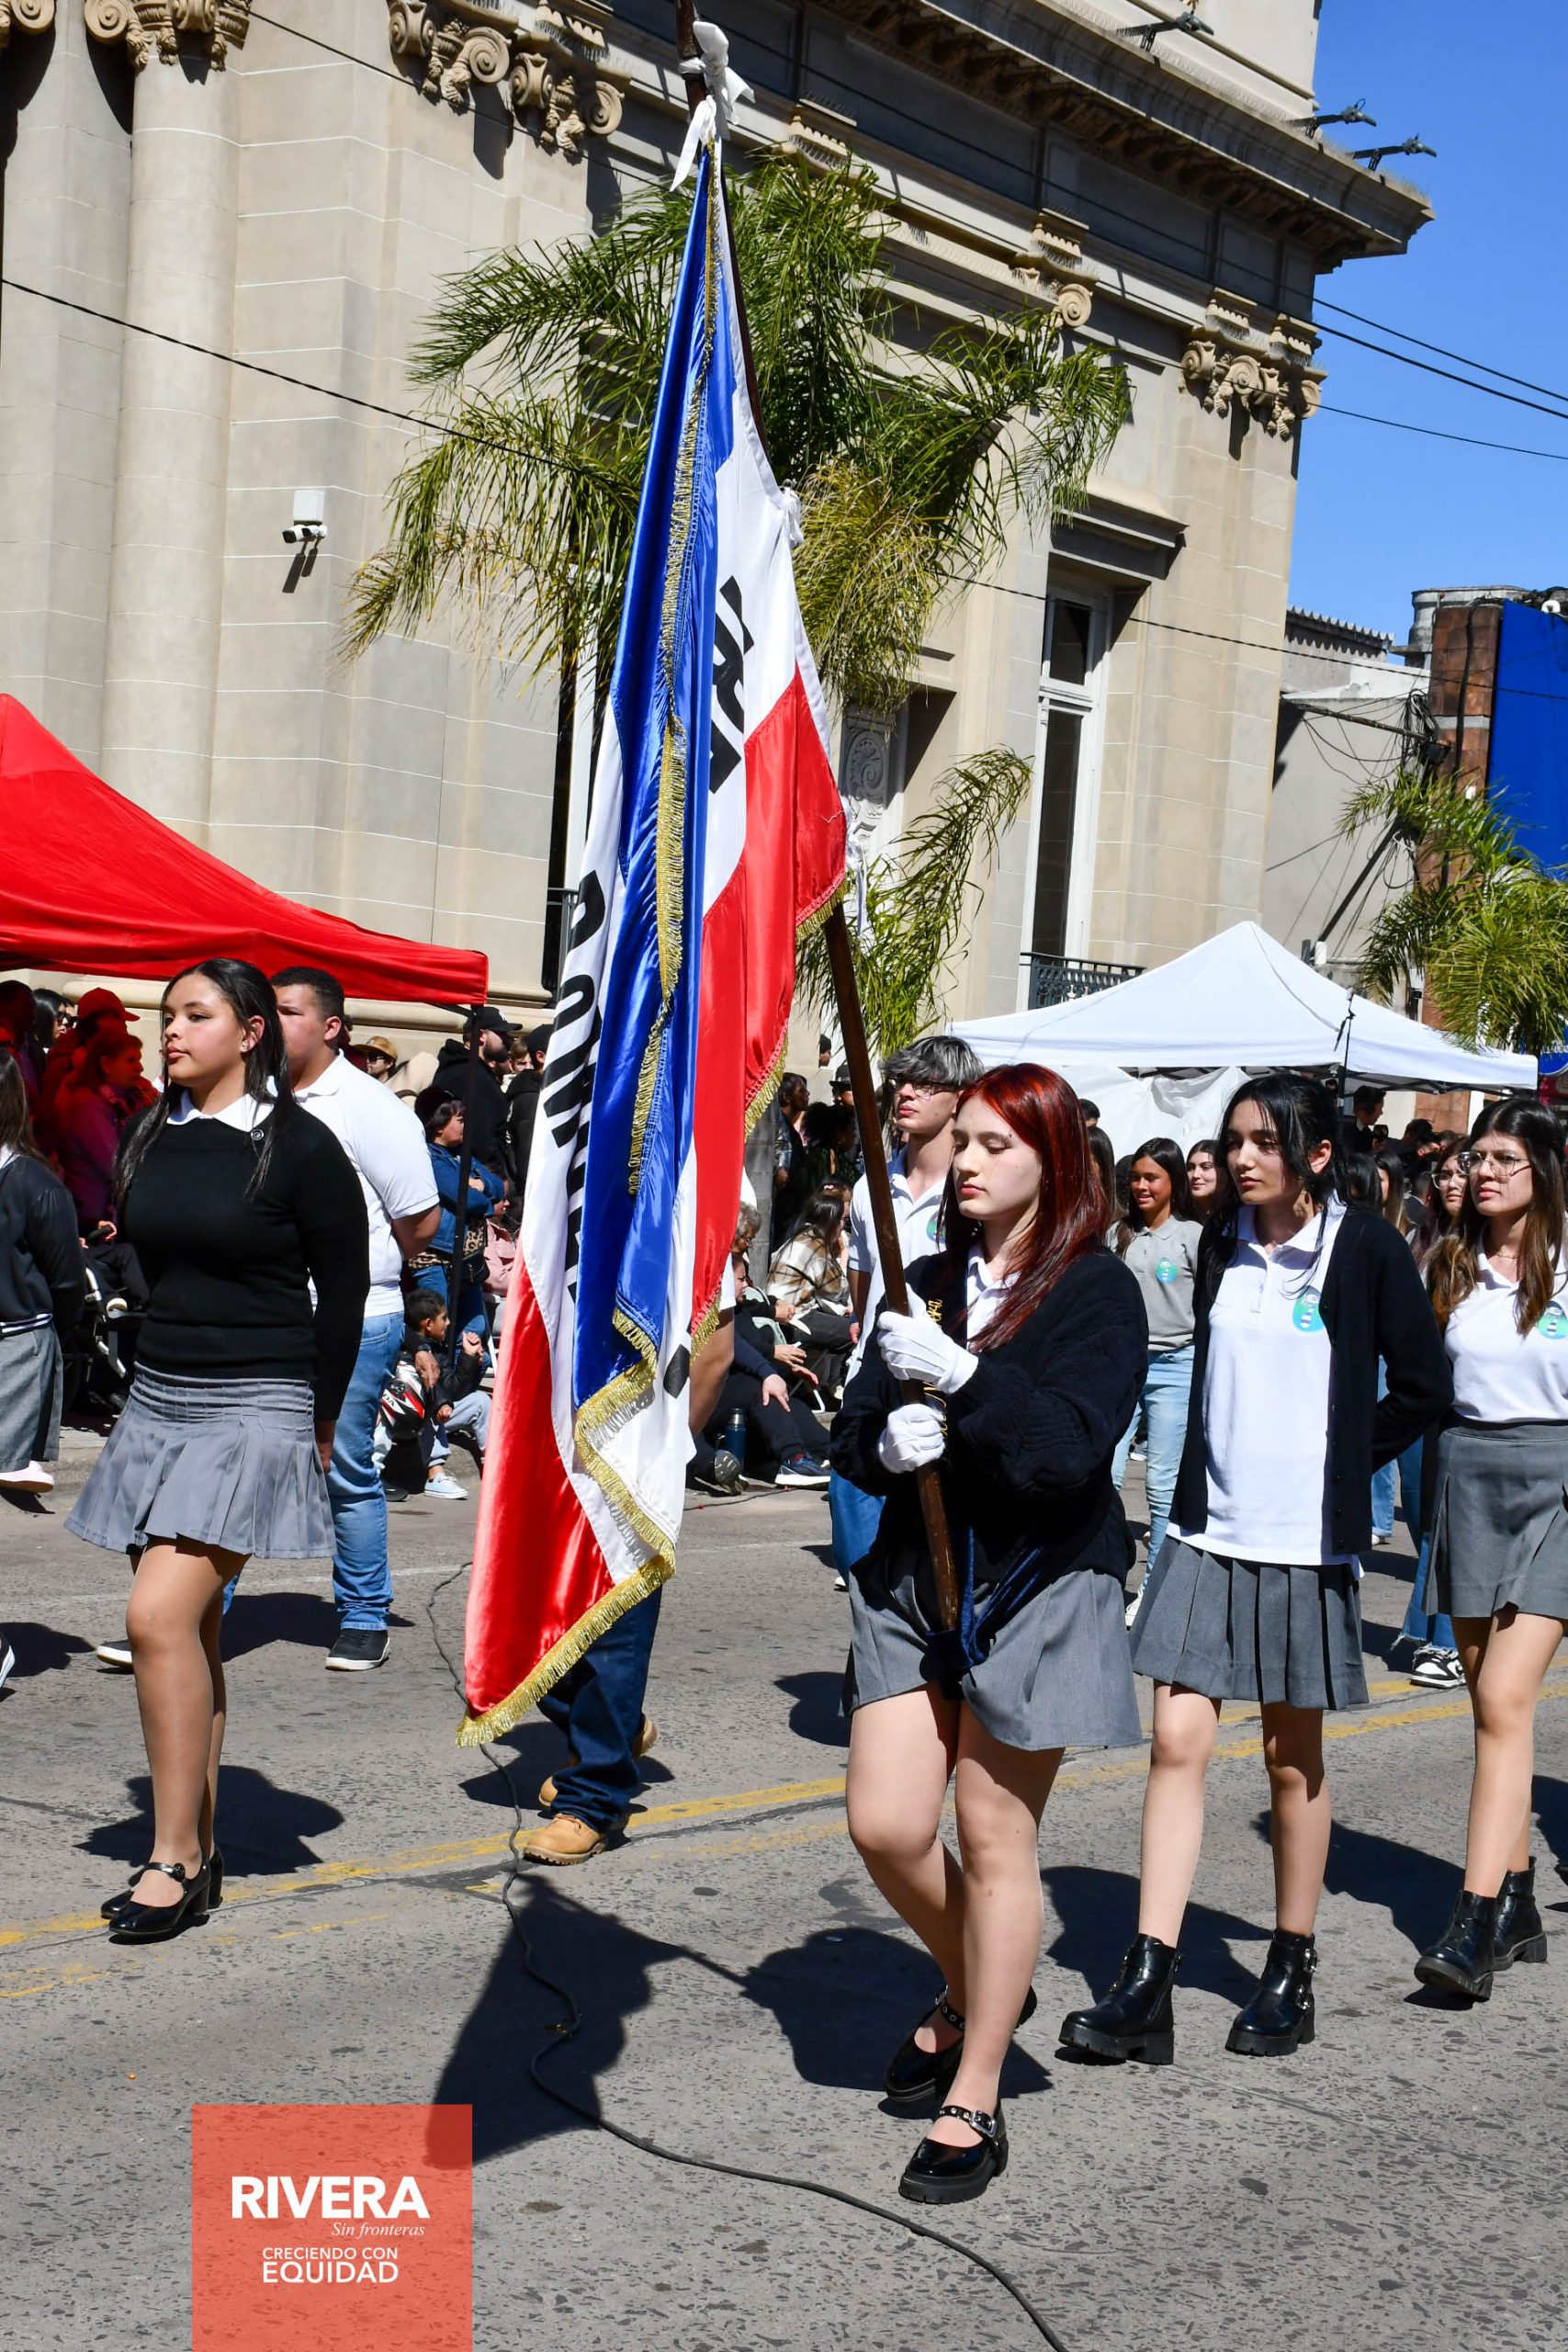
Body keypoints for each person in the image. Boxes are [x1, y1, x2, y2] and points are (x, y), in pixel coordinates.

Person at [1061, 1072, 1450, 2064]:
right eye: (1233, 1139)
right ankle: (1149, 1975)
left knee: (1289, 1756)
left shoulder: (1363, 1247)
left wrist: (1345, 1463)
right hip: (1206, 1532)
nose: (1240, 1157)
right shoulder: (1217, 1243)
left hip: (1303, 1545)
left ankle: (1290, 1963)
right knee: (1175, 1742)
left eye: (1263, 1141)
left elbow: (1422, 1384)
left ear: (1316, 1153)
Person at [830, 1064, 1146, 2204]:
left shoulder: (1098, 1291)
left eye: (994, 1145)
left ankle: (976, 2089)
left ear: (1052, 1161)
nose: (965, 1161)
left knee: (994, 1832)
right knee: (885, 1822)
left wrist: (967, 1379)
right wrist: (885, 1444)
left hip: (1037, 1580)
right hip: (918, 1580)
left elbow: (1068, 1450)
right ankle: (976, 1985)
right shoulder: (925, 1280)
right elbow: (856, 1426)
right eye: (960, 1139)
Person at [68, 959, 368, 1943]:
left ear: (249, 1032)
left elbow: (345, 1290)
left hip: (258, 1401)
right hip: (161, 1398)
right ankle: (196, 1846)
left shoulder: (300, 1144)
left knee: (155, 1616)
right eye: (167, 1015)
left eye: (195, 1015)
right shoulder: (154, 1130)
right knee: (189, 1630)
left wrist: (322, 1418)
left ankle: (174, 1859)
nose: (171, 1030)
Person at [1414, 1096, 1568, 1998]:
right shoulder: (1451, 1263)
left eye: (1503, 1157)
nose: (1483, 1172)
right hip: (1468, 1476)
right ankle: (1516, 1898)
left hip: (1558, 1483)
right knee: (1490, 1706)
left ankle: (1471, 1924)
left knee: (1506, 1696)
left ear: (1542, 1170)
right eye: (1477, 1157)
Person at [273, 968, 440, 1672]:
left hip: (356, 1315)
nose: (268, 1023)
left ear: (330, 1026)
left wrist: (362, 1266)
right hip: (270, 1313)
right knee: (237, 1466)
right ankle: (189, 1613)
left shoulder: (367, 1105)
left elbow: (420, 1219)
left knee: (343, 1467)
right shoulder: (254, 1096)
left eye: (288, 1011)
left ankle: (365, 1615)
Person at [830, 1036, 985, 1588]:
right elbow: (863, 1280)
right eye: (902, 1081)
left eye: (926, 1083)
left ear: (960, 1096)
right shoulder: (869, 1187)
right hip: (871, 1390)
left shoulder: (974, 1192)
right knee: (860, 1572)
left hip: (944, 1394)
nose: (907, 1093)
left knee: (932, 1580)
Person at [1113, 1138, 1204, 1618]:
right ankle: (1103, 1581)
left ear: (1174, 1182)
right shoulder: (1121, 1233)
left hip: (1176, 1366)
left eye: (1152, 1177)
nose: (1141, 1186)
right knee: (1104, 1475)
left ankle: (1153, 1593)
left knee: (1160, 1483)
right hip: (1125, 1365)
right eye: (1136, 1177)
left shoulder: (1193, 1236)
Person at [0, 1055, 86, 1499]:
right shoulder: (36, 1184)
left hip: (17, 1341)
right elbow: (66, 1281)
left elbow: (66, 1282)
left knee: (11, 1464)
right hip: (20, 1336)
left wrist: (58, 1330)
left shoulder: (34, 1184)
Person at [51, 1024, 153, 1232]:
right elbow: (113, 1163)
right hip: (94, 1218)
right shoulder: (88, 1104)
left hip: (120, 1208)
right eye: (131, 1061)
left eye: (139, 1060)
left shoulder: (133, 1097)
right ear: (106, 1064)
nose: (140, 1068)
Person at [420, 1096, 505, 1340]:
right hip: (438, 1257)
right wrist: (487, 1202)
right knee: (438, 1328)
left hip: (467, 1259)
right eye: (460, 1120)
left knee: (474, 1328)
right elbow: (465, 1199)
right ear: (439, 1126)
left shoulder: (461, 1155)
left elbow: (499, 1186)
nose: (466, 1126)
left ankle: (464, 1364)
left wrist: (480, 1184)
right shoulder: (431, 1158)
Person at [767, 1185, 854, 1398]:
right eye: (842, 1220)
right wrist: (844, 1256)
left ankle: (823, 1386)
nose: (843, 1226)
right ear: (831, 1221)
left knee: (845, 1322)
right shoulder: (815, 1244)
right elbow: (837, 1289)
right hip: (793, 1319)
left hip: (783, 1314)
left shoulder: (802, 1236)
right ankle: (838, 1386)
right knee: (856, 1331)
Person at [403, 1286, 490, 1498]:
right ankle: (435, 1476)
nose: (449, 1323)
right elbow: (425, 1386)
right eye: (444, 1318)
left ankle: (493, 1463)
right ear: (428, 1324)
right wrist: (440, 1402)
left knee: (481, 1401)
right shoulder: (407, 1347)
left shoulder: (437, 1346)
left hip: (440, 1415)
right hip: (407, 1420)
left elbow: (452, 1389)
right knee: (428, 1402)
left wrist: (469, 1358)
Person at [432, 1008, 513, 1182]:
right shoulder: (471, 1075)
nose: (508, 1040)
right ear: (481, 1036)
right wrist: (495, 1179)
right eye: (502, 1034)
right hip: (477, 1180)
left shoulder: (465, 1069)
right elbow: (480, 1136)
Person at [504, 1023, 552, 1204]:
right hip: (528, 1200)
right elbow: (528, 1158)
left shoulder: (533, 1091)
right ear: (540, 1056)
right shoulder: (531, 1098)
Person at [771, 1072, 812, 1245]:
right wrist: (777, 1170)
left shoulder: (791, 1129)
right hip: (778, 1202)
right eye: (801, 1091)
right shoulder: (775, 1124)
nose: (807, 1094)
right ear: (786, 1097)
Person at [1185, 1139, 1220, 1218]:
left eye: (1206, 1167)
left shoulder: (1242, 1217)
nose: (1195, 1175)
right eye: (1190, 1168)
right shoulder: (1179, 1217)